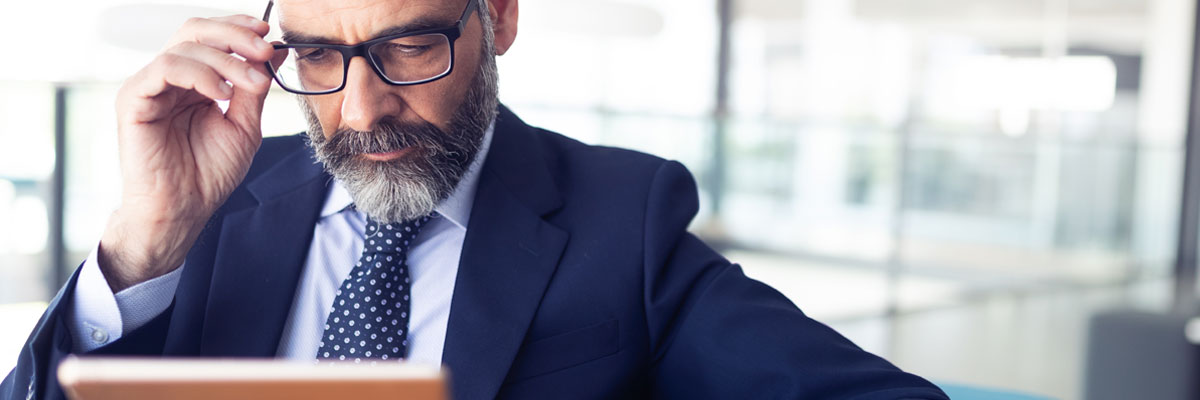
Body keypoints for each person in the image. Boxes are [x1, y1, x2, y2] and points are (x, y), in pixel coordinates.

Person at [1, 0, 949, 398]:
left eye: (409, 46)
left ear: (497, 16)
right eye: (321, 57)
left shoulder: (625, 220)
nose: (362, 108)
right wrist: (145, 241)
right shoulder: (201, 206)